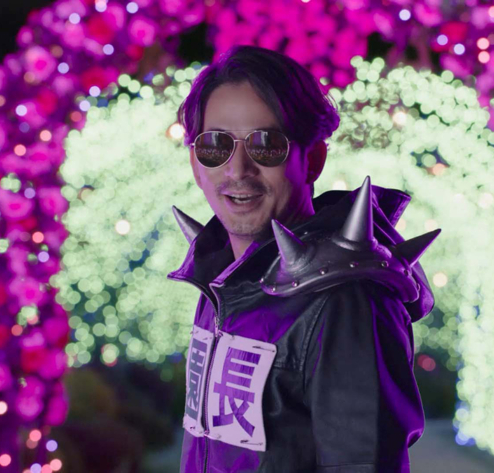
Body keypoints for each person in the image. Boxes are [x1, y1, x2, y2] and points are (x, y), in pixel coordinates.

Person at [168, 44, 441, 473]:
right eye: (216, 145)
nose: (237, 170)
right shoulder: (219, 280)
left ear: (312, 159)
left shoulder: (347, 301)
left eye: (266, 144)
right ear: (196, 163)